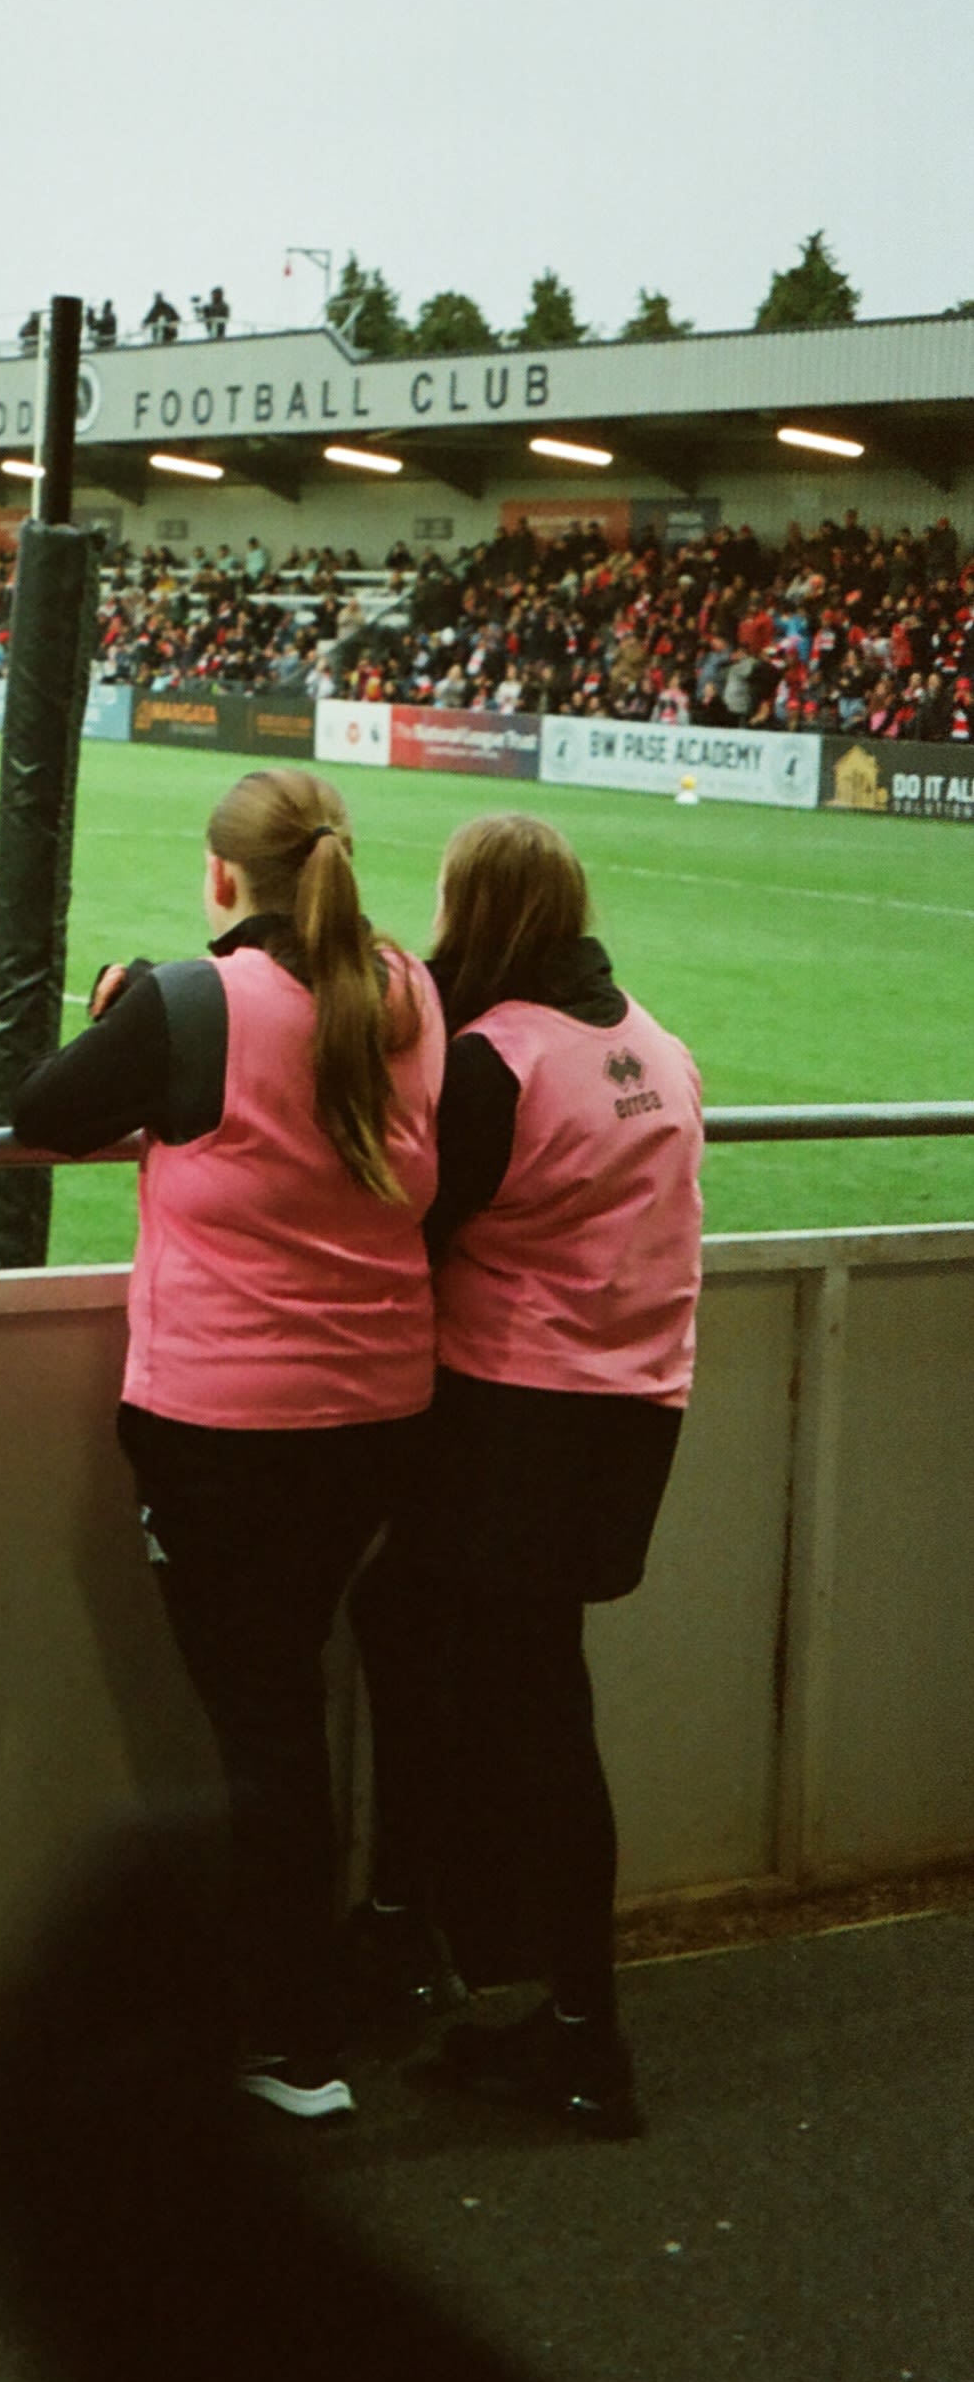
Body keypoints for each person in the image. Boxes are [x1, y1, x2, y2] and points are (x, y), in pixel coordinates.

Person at [12, 769, 445, 2120]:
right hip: (378, 1414)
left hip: (227, 1427)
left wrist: (129, 1007)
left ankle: (291, 2037)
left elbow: (45, 1111)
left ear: (221, 877)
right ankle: (303, 2004)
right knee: (282, 1709)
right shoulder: (405, 988)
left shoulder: (195, 1002)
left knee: (264, 1728)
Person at [348, 813, 702, 2141]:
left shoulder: (500, 1061)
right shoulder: (653, 1044)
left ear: (473, 909)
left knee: (530, 1709)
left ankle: (572, 2028)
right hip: (628, 1415)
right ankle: (439, 1935)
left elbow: (410, 1216)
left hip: (515, 1417)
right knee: (437, 1637)